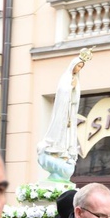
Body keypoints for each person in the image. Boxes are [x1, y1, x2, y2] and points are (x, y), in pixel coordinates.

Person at [37, 47, 93, 181]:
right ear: (73, 66)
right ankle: (55, 150)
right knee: (59, 132)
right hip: (62, 112)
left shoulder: (76, 80)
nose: (79, 69)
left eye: (81, 67)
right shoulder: (66, 79)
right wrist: (70, 88)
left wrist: (74, 90)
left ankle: (64, 154)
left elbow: (75, 99)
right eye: (78, 66)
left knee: (68, 135)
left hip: (70, 113)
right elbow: (62, 92)